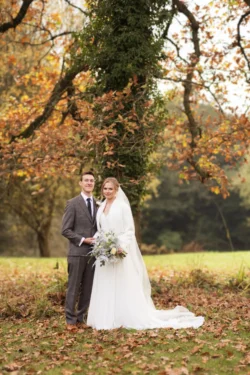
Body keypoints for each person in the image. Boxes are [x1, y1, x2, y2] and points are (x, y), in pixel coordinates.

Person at [87, 177, 204, 330]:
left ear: (116, 190)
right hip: (104, 254)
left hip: (119, 251)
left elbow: (129, 230)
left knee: (121, 284)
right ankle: (106, 318)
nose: (107, 191)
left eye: (110, 189)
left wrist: (119, 246)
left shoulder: (122, 206)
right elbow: (101, 229)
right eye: (105, 188)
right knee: (106, 283)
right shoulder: (101, 206)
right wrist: (98, 242)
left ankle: (122, 317)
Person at [62, 171, 98, 331]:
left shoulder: (98, 204)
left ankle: (81, 318)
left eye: (91, 181)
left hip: (93, 254)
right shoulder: (72, 203)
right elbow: (65, 230)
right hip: (76, 253)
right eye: (86, 180)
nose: (89, 183)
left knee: (88, 288)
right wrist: (83, 240)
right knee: (73, 287)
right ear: (80, 183)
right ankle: (70, 321)